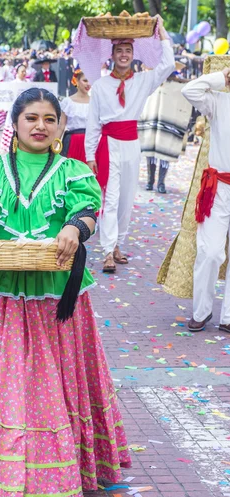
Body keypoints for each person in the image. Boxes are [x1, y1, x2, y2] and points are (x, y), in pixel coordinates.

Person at [0, 88, 131, 497]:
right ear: (14, 124)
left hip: (54, 292)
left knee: (52, 377)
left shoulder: (73, 170)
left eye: (50, 119)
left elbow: (88, 208)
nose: (40, 126)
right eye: (31, 117)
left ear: (61, 126)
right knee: (6, 379)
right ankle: (1, 476)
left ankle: (57, 474)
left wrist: (75, 228)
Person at [85, 15, 174, 273]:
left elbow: (167, 65)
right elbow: (93, 124)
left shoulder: (143, 81)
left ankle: (117, 244)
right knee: (110, 199)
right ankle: (106, 252)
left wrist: (163, 32)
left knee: (126, 198)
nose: (123, 55)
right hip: (109, 144)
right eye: (119, 51)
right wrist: (91, 155)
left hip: (132, 144)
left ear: (133, 55)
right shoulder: (101, 86)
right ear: (111, 55)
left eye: (128, 51)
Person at [180, 67, 230, 333]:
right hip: (219, 186)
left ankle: (228, 317)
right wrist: (221, 77)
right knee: (210, 252)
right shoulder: (219, 99)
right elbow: (189, 90)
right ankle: (202, 311)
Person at [139, 74, 192, 194]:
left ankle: (161, 182)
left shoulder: (175, 86)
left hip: (167, 123)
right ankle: (150, 180)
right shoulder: (151, 81)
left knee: (165, 153)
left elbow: (186, 90)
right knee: (150, 153)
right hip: (152, 121)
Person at [58, 69, 91, 163]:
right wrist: (53, 144)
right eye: (85, 80)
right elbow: (61, 126)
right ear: (76, 81)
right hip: (72, 141)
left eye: (90, 81)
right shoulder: (67, 102)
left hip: (90, 143)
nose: (88, 84)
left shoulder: (95, 101)